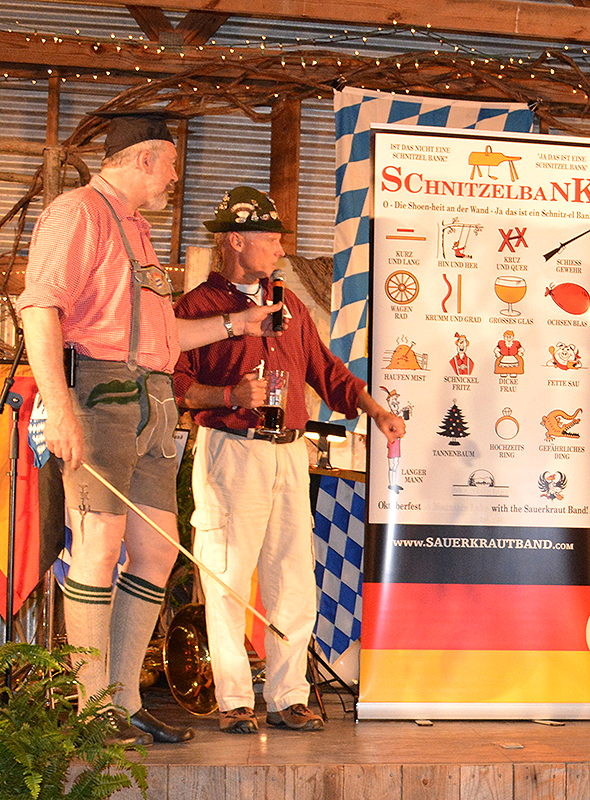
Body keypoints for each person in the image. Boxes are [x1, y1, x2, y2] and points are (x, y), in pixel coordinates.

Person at [17, 113, 281, 747]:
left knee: (158, 550)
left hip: (154, 402)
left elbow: (164, 339)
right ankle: (89, 709)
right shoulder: (76, 212)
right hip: (99, 396)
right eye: (169, 163)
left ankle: (126, 698)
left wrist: (238, 325)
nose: (174, 176)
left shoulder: (138, 230)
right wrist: (61, 405)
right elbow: (39, 309)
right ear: (141, 159)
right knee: (99, 544)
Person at [173, 186, 405, 734]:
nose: (280, 249)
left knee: (293, 579)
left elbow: (327, 371)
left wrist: (375, 410)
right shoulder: (196, 308)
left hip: (289, 454)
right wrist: (231, 396)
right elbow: (178, 386)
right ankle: (234, 701)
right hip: (231, 452)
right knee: (227, 576)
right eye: (271, 238)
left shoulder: (290, 304)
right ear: (236, 240)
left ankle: (287, 695)